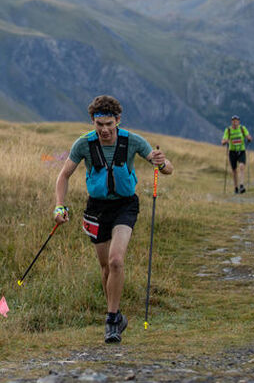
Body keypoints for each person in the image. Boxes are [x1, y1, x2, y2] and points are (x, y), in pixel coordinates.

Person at [53, 95, 174, 343]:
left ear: (118, 120)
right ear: (93, 122)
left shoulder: (132, 141)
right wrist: (59, 207)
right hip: (96, 209)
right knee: (105, 267)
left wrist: (163, 164)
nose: (105, 130)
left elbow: (165, 168)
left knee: (116, 260)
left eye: (109, 124)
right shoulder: (83, 144)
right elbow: (63, 176)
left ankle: (110, 320)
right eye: (100, 125)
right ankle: (117, 314)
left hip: (125, 206)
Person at [221, 115, 253, 194]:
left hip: (241, 151)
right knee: (234, 170)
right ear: (231, 122)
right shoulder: (228, 130)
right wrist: (226, 141)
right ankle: (236, 187)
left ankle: (241, 185)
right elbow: (222, 141)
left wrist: (249, 138)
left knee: (242, 166)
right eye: (233, 121)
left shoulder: (242, 128)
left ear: (239, 122)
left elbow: (248, 136)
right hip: (232, 152)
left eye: (236, 121)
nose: (235, 122)